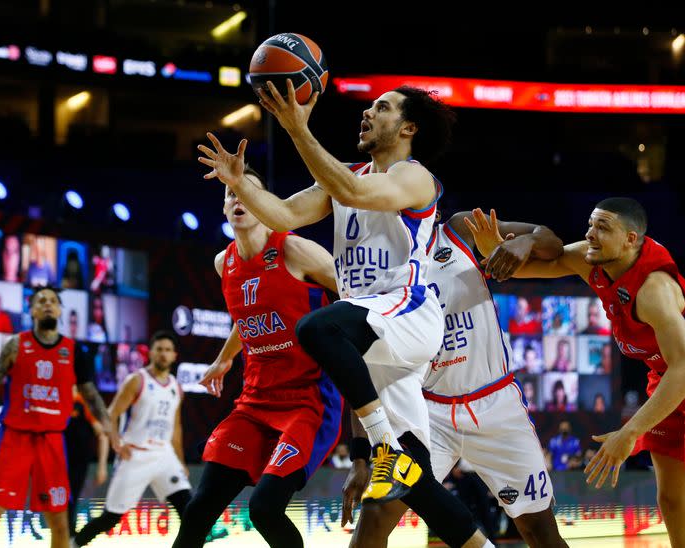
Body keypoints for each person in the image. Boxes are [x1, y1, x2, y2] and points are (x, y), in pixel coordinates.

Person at [196, 83, 492, 547]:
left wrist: (297, 128)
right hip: (372, 334)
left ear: (408, 127)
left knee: (316, 326)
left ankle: (385, 450)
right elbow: (283, 214)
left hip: (406, 312)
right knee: (416, 484)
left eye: (383, 107)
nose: (368, 112)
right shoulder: (340, 178)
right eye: (371, 105)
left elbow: (352, 189)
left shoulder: (415, 176)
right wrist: (238, 185)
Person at [482, 197, 685, 547]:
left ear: (630, 239)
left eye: (603, 227)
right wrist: (498, 250)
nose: (590, 234)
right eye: (591, 224)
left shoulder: (654, 290)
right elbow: (527, 268)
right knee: (671, 500)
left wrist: (629, 431)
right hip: (665, 374)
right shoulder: (588, 257)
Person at [341, 208, 568, 547]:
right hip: (428, 414)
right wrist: (360, 458)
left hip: (495, 404)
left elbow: (553, 242)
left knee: (541, 532)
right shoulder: (377, 271)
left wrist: (526, 241)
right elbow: (361, 371)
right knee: (374, 520)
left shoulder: (459, 230)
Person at [172, 169, 342, 548]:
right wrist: (223, 358)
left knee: (265, 508)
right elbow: (248, 317)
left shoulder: (295, 250)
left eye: (249, 192)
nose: (239, 199)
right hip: (255, 402)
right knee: (199, 508)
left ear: (266, 205)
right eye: (232, 194)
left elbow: (359, 293)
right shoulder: (224, 264)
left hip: (308, 401)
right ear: (224, 207)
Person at [0, 286, 111, 548]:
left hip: (52, 440)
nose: (48, 304)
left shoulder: (74, 351)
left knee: (60, 521)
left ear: (60, 310)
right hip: (14, 437)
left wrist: (112, 432)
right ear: (32, 310)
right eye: (41, 301)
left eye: (53, 301)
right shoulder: (16, 345)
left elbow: (92, 396)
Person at [72, 331, 190, 547]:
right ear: (151, 353)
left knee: (189, 510)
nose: (163, 354)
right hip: (136, 455)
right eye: (159, 349)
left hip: (164, 456)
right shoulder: (137, 380)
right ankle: (75, 543)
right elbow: (111, 414)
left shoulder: (176, 386)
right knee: (110, 518)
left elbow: (176, 428)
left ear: (174, 355)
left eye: (167, 350)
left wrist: (180, 461)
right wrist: (117, 442)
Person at [65, 388, 109, 538]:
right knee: (58, 505)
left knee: (70, 501)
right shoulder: (56, 398)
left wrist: (102, 466)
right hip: (56, 461)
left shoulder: (85, 402)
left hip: (78, 463)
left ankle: (71, 538)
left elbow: (102, 435)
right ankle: (67, 537)